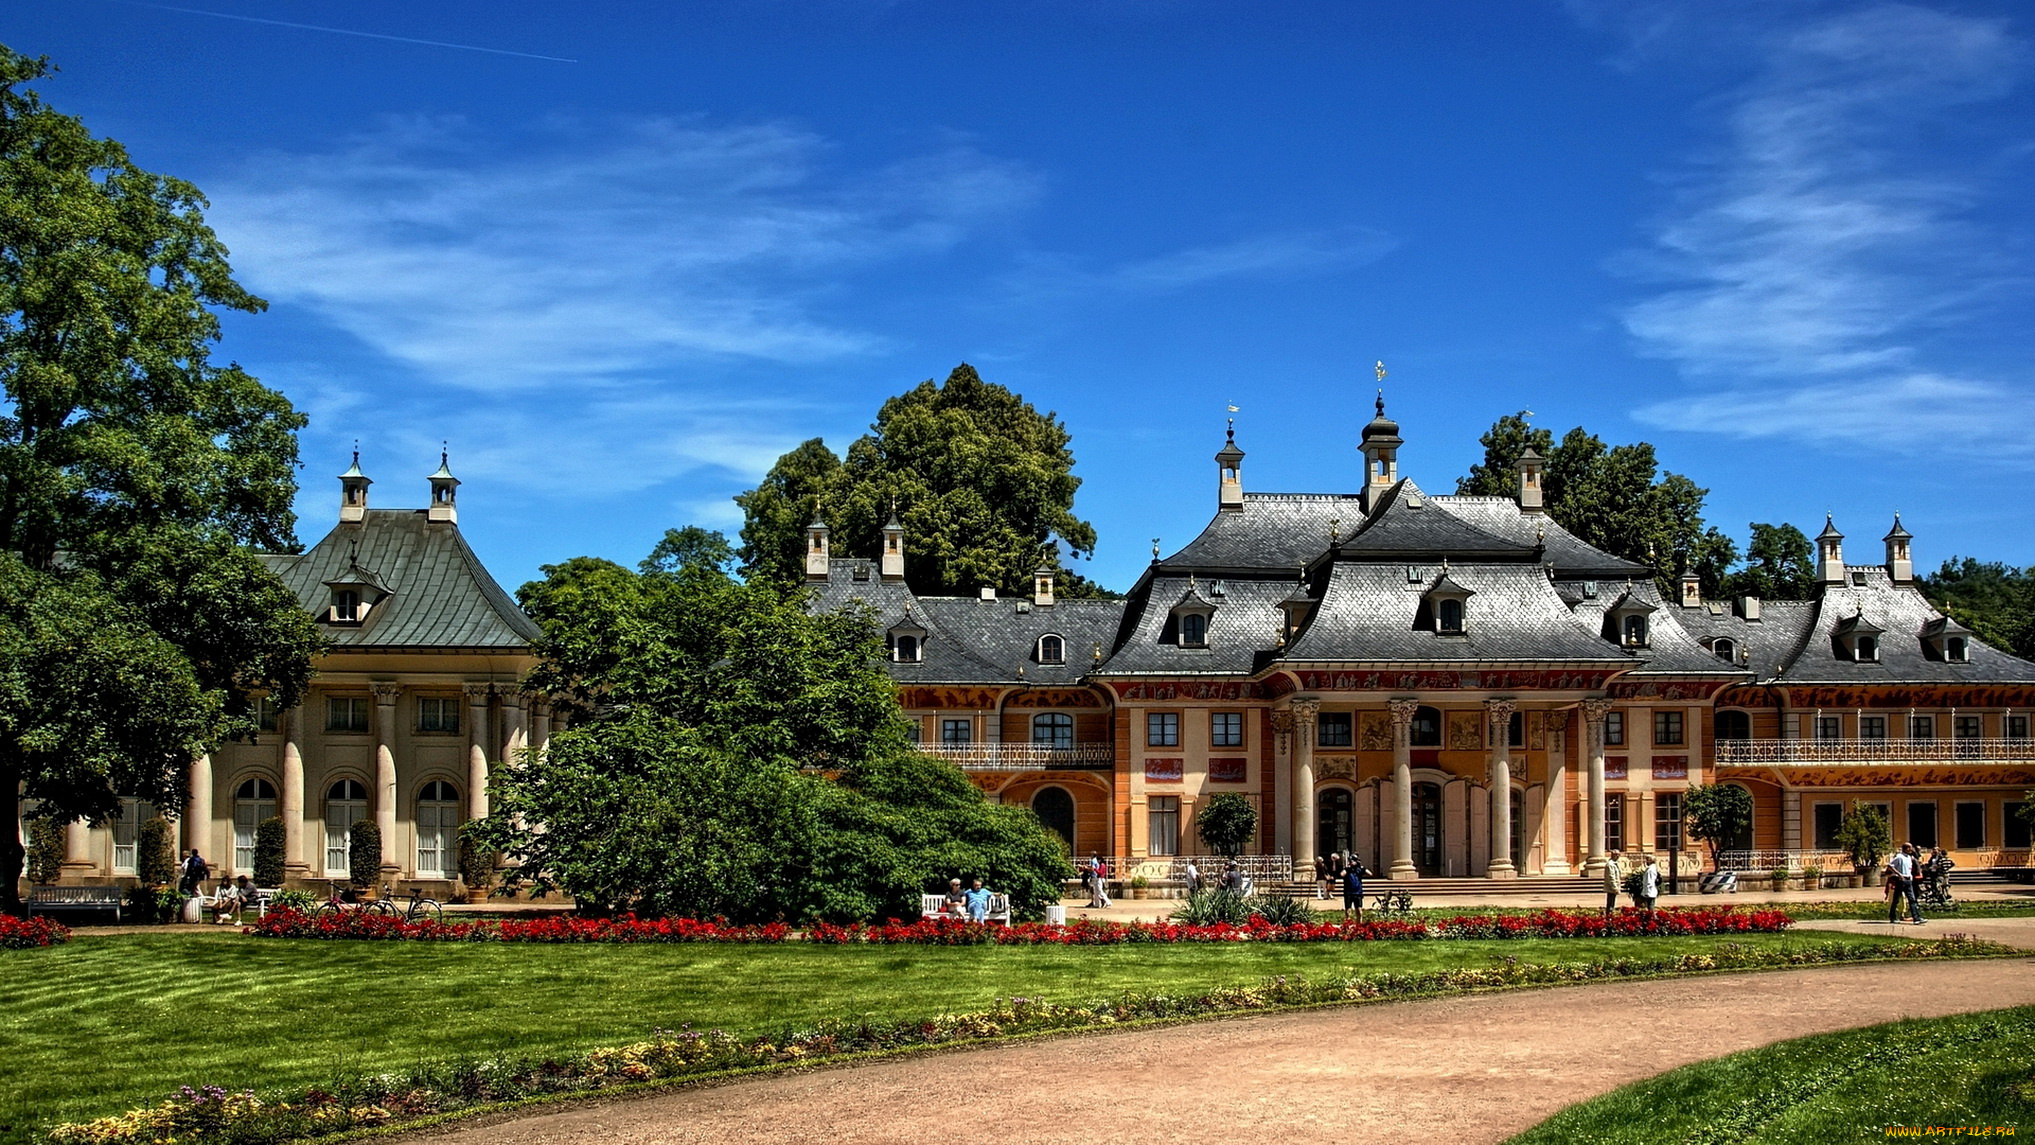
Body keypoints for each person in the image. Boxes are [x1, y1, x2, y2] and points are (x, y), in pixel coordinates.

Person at [1887, 843, 1924, 924]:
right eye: (1910, 848)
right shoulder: (1899, 857)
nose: (1912, 850)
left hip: (1908, 880)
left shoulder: (1909, 858)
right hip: (1901, 880)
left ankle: (1916, 918)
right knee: (1896, 899)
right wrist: (1899, 874)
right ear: (1906, 848)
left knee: (1912, 899)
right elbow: (1890, 866)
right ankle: (1892, 917)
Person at [1342, 852, 1370, 922]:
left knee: (1359, 911)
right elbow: (1342, 874)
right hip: (1348, 893)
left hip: (1358, 893)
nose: (1352, 862)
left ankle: (1359, 925)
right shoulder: (1347, 870)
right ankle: (1347, 925)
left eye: (1353, 861)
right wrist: (1347, 868)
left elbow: (1370, 873)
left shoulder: (1359, 869)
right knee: (1348, 911)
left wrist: (1362, 867)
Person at [1601, 850, 1623, 918]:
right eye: (1617, 855)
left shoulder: (1615, 863)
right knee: (1610, 902)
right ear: (1613, 855)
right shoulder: (1610, 864)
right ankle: (1609, 916)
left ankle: (1610, 915)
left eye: (1619, 855)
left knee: (1612, 902)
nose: (1619, 856)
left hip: (1614, 886)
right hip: (1611, 887)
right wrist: (1615, 887)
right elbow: (1611, 876)